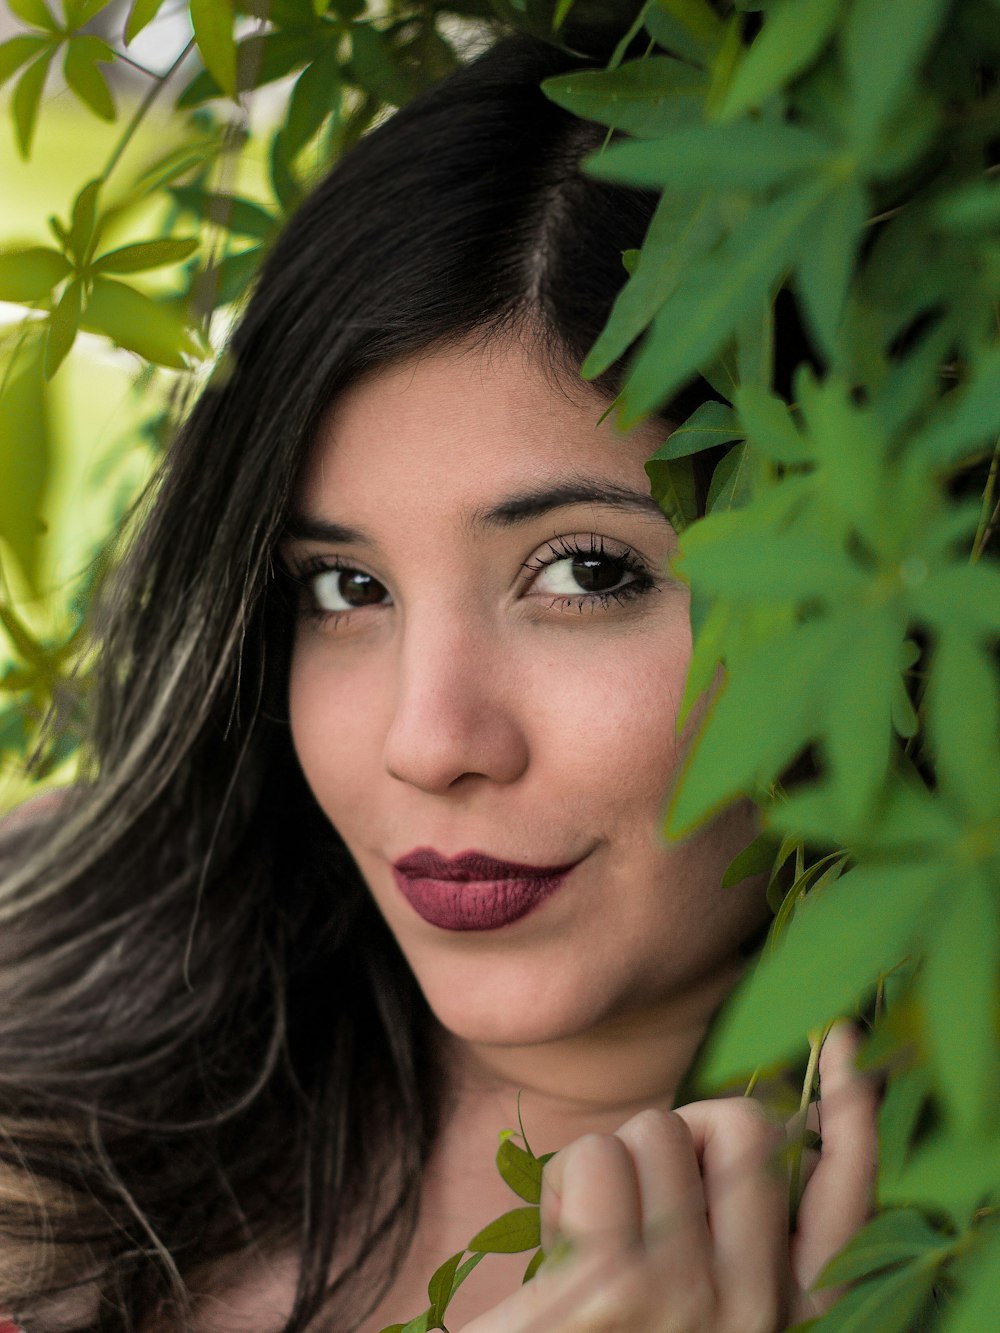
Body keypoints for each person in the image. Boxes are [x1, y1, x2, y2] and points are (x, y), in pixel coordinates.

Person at [0, 29, 877, 1333]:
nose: (429, 739)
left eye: (585, 574)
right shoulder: (33, 944)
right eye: (345, 589)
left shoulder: (919, 1256)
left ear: (869, 590)